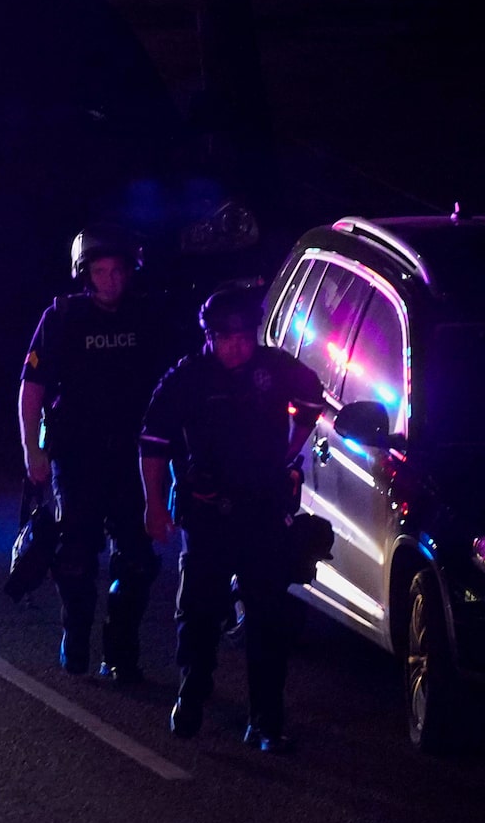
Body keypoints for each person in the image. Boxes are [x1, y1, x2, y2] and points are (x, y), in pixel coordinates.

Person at [140, 285, 315, 749]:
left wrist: (288, 452)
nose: (236, 346)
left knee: (268, 618)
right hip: (206, 514)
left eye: (243, 336)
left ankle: (266, 720)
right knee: (198, 614)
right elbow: (153, 441)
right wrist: (154, 504)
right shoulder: (188, 377)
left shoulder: (275, 369)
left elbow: (312, 398)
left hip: (262, 510)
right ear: (210, 336)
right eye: (225, 337)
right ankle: (192, 693)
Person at [17, 225, 165, 681]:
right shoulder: (62, 318)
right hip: (76, 455)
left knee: (137, 559)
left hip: (133, 456)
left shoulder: (148, 317)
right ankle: (75, 637)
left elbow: (176, 389)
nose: (109, 280)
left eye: (117, 271)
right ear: (85, 273)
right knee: (76, 555)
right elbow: (32, 388)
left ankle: (120, 653)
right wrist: (33, 449)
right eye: (100, 271)